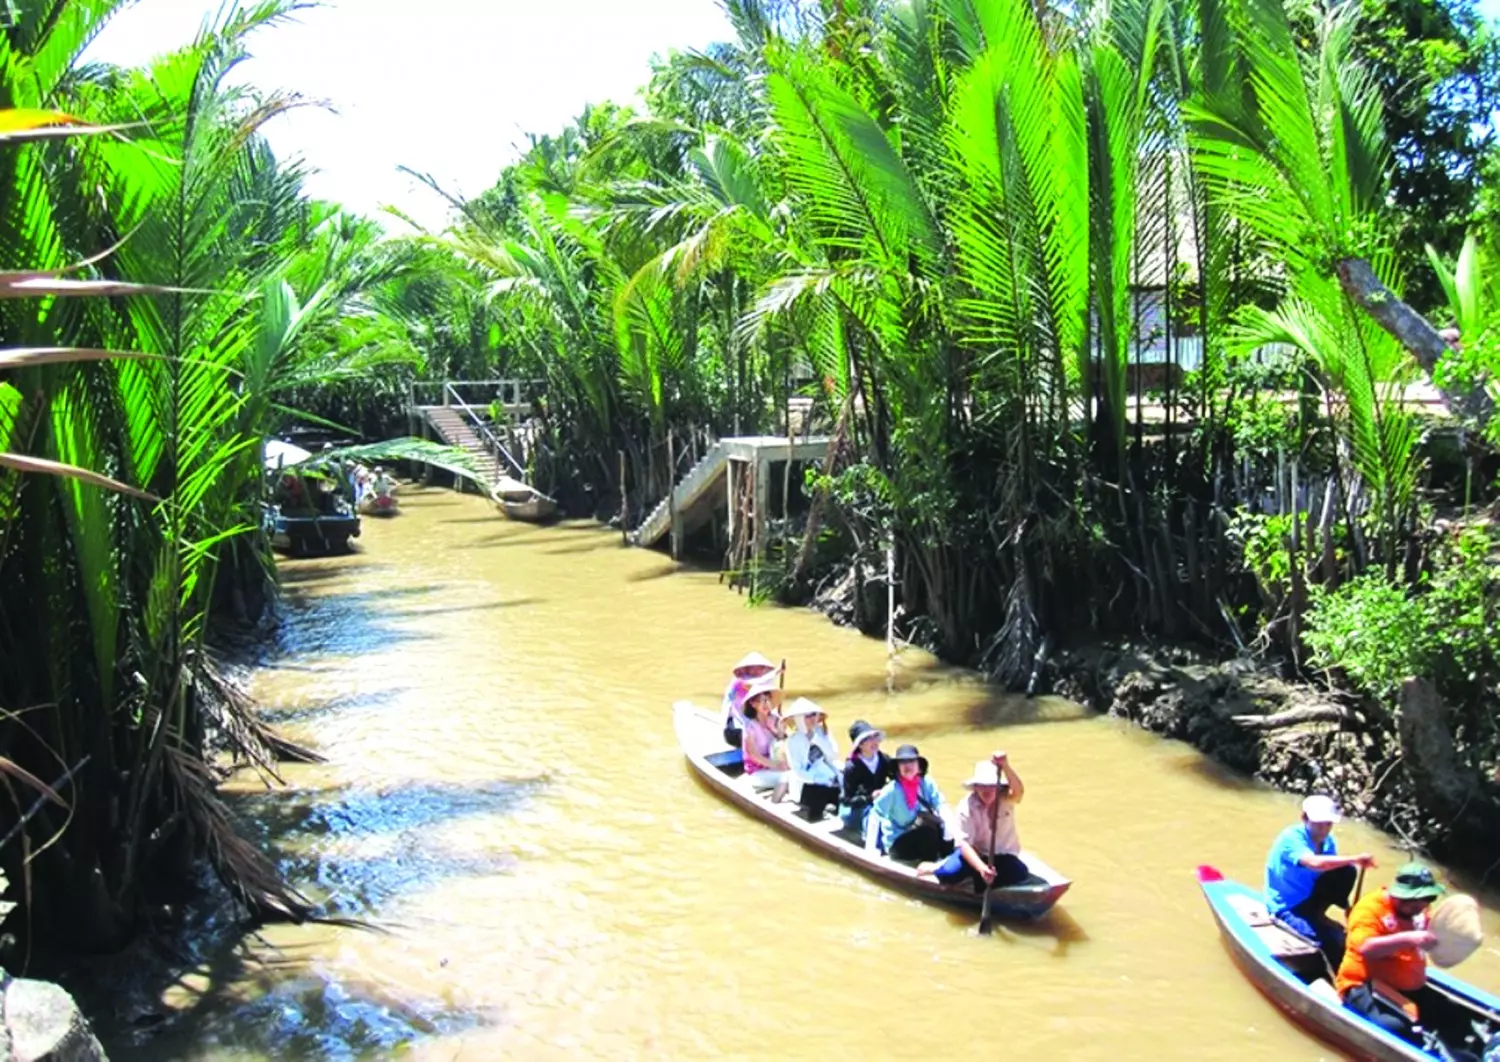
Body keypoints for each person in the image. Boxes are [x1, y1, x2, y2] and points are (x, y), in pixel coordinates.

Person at [1337, 863, 1483, 1062]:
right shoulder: (1369, 910)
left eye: (1429, 898)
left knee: (1455, 1016)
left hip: (1408, 984)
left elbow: (1441, 931)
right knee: (1394, 1027)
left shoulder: (1419, 911)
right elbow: (1366, 948)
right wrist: (1409, 938)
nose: (1424, 904)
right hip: (1364, 983)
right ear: (1402, 895)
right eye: (1419, 899)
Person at [1264, 794, 1376, 969]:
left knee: (1346, 871)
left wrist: (1348, 909)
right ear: (1304, 818)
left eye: (1328, 824)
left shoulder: (1328, 842)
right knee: (1325, 942)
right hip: (1288, 905)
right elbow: (1314, 863)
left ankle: (1318, 914)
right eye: (1319, 823)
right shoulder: (1291, 838)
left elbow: (1331, 874)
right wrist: (1354, 858)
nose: (1324, 829)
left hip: (1311, 898)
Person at [917, 752, 1028, 892]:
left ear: (998, 787)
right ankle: (936, 867)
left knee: (1020, 873)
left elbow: (1019, 791)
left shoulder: (1006, 799)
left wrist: (1005, 766)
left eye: (991, 786)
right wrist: (982, 868)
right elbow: (964, 845)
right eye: (982, 786)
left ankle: (979, 882)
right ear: (976, 787)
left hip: (1002, 856)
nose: (987, 791)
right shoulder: (966, 807)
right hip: (976, 854)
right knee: (948, 875)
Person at [867, 744, 951, 862]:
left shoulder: (927, 783)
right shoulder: (892, 790)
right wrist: (870, 849)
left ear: (919, 766)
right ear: (898, 767)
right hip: (899, 843)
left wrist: (949, 830)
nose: (907, 766)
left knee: (945, 829)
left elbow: (941, 804)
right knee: (927, 830)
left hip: (922, 837)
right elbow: (875, 815)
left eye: (911, 761)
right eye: (902, 762)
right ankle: (930, 864)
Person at [783, 698, 841, 821]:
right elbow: (797, 771)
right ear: (799, 719)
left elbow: (833, 755)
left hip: (829, 777)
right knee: (819, 790)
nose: (813, 719)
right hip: (807, 784)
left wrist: (816, 739)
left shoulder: (822, 732)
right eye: (808, 716)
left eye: (814, 714)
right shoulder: (792, 741)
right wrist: (817, 779)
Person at [739, 676, 788, 802]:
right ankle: (774, 805)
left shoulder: (775, 718)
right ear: (753, 704)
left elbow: (783, 742)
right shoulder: (749, 727)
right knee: (787, 777)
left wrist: (775, 730)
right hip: (757, 772)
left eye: (768, 700)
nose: (767, 704)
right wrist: (776, 766)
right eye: (762, 701)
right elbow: (754, 755)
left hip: (775, 764)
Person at [840, 720, 892, 837]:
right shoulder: (852, 767)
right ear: (860, 744)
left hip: (881, 802)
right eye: (868, 739)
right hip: (859, 809)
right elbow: (847, 799)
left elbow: (896, 778)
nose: (874, 742)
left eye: (875, 737)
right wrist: (870, 798)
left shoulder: (884, 759)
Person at [721, 652, 780, 748]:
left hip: (753, 727)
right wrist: (776, 673)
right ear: (747, 669)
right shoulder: (738, 682)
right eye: (754, 668)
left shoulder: (762, 685)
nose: (757, 671)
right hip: (735, 731)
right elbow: (751, 684)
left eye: (760, 668)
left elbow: (768, 705)